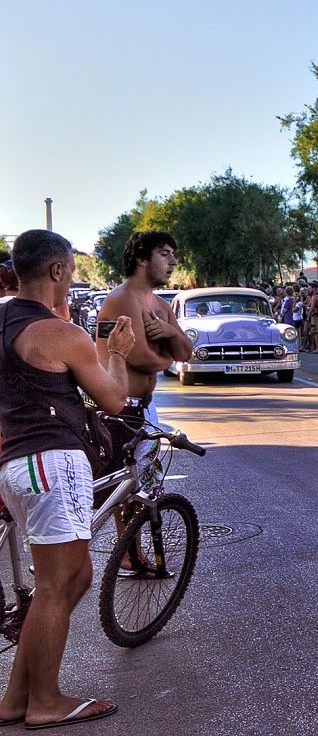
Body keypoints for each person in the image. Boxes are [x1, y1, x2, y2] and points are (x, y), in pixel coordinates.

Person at [0, 229, 136, 729]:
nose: (72, 275)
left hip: (17, 463)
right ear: (57, 271)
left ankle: (18, 696)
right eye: (71, 268)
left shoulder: (3, 320)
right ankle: (46, 701)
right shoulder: (60, 333)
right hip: (51, 460)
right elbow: (115, 400)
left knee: (71, 577)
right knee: (61, 582)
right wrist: (116, 351)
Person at [95, 232, 193, 467]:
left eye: (173, 254)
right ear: (141, 259)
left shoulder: (159, 304)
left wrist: (170, 332)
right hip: (119, 413)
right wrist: (168, 358)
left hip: (145, 408)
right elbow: (140, 357)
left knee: (146, 491)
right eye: (164, 254)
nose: (173, 262)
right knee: (115, 489)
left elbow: (186, 353)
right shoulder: (123, 298)